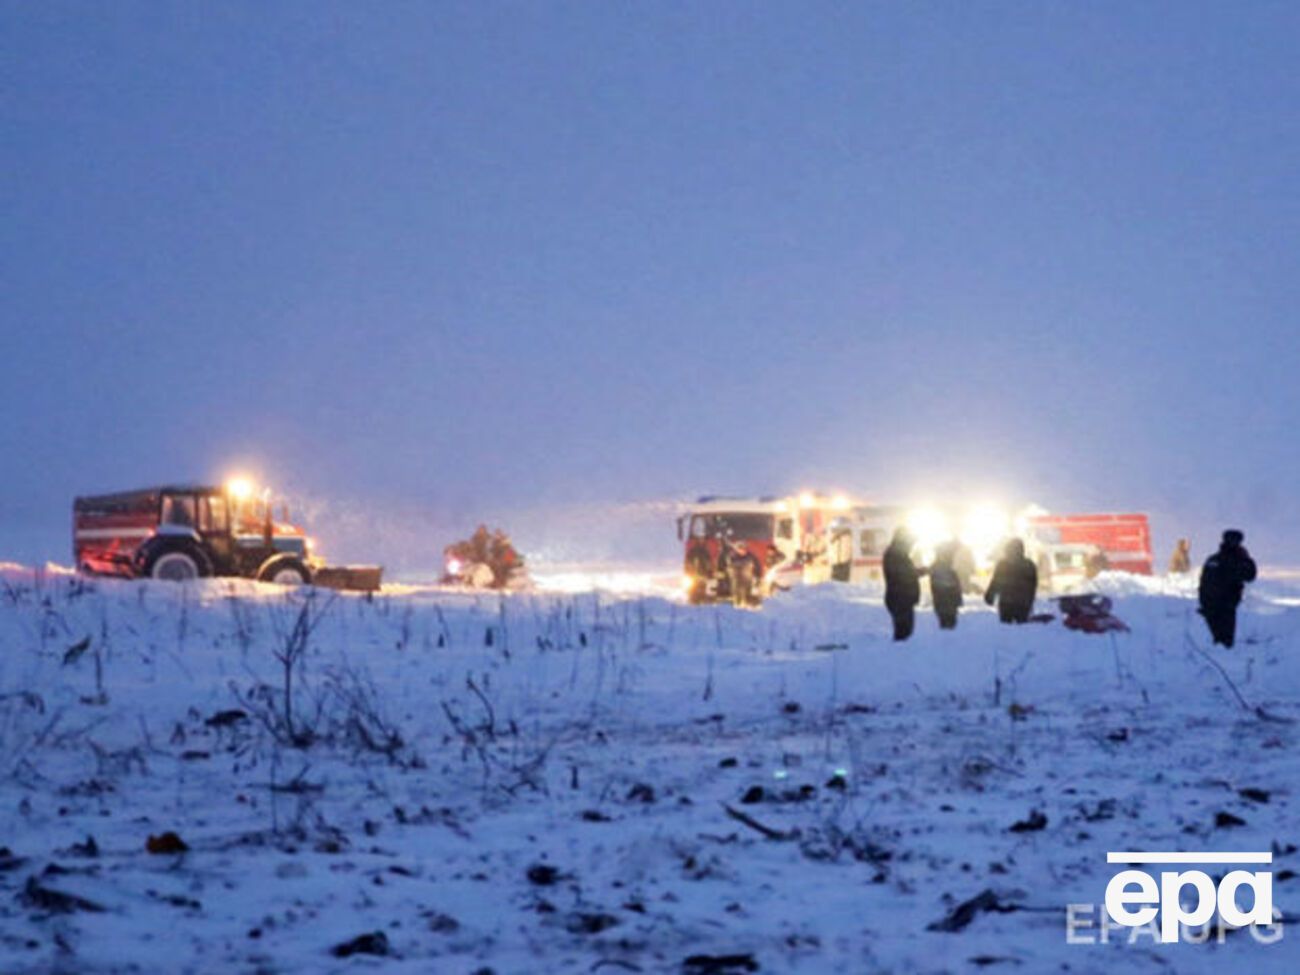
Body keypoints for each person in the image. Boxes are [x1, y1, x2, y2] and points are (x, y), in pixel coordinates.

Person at [1198, 529, 1257, 648]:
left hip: (1209, 606)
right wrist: (1246, 558)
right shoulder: (1236, 560)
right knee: (1224, 643)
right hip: (1225, 607)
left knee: (1215, 642)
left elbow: (1203, 582)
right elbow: (1250, 575)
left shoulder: (1213, 559)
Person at [883, 527, 927, 640]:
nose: (911, 547)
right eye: (910, 543)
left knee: (904, 632)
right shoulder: (896, 555)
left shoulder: (897, 553)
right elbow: (905, 574)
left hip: (901, 599)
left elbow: (907, 573)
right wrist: (923, 571)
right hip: (900, 599)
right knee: (903, 633)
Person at [985, 538, 1038, 624]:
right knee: (1022, 628)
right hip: (1023, 604)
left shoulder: (1003, 564)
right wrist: (1030, 602)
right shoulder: (1029, 565)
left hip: (1006, 603)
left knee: (1006, 629)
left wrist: (990, 596)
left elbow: (996, 582)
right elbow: (1032, 587)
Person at [930, 541, 963, 630]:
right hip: (946, 604)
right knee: (948, 627)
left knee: (947, 626)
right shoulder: (943, 568)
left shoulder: (938, 566)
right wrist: (957, 600)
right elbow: (950, 586)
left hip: (943, 604)